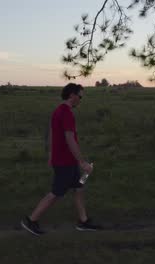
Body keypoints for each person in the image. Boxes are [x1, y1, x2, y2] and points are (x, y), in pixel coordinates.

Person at [21, 83, 101, 236]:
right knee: (56, 193)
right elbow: (70, 139)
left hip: (66, 160)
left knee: (79, 187)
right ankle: (31, 220)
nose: (81, 99)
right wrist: (82, 162)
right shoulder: (66, 113)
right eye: (80, 96)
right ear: (72, 95)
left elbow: (51, 134)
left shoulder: (58, 111)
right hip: (65, 162)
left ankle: (83, 221)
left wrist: (51, 154)